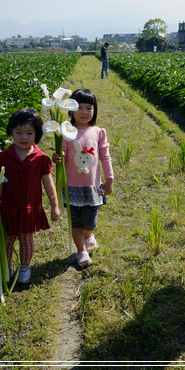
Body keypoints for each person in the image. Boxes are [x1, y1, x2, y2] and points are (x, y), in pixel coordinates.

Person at [0, 108, 60, 284]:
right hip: (9, 207)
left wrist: (55, 205)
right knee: (7, 240)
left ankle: (24, 267)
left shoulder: (41, 158)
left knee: (26, 239)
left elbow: (48, 184)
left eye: (29, 133)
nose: (23, 137)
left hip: (29, 208)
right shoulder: (3, 157)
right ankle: (6, 268)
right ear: (11, 132)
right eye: (18, 132)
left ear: (37, 135)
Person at [53, 88, 114, 268]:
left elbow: (105, 157)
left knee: (90, 221)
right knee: (75, 221)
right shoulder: (66, 132)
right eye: (79, 107)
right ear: (71, 110)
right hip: (71, 187)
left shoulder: (98, 132)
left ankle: (88, 235)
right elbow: (62, 154)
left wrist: (110, 179)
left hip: (92, 187)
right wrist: (57, 158)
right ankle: (82, 252)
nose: (84, 112)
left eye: (89, 108)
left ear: (94, 110)